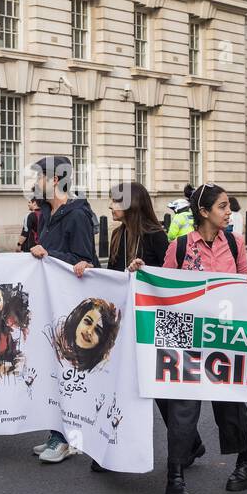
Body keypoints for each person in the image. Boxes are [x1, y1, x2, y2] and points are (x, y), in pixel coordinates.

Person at [157, 183, 247, 494]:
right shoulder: (178, 248)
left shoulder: (235, 244)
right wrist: (140, 274)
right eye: (221, 206)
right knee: (183, 408)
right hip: (188, 339)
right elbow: (162, 289)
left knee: (230, 406)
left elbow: (246, 284)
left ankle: (246, 463)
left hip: (226, 338)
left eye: (227, 206)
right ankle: (174, 476)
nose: (228, 211)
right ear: (203, 212)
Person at [74, 181, 174, 474]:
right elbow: (113, 277)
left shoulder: (156, 236)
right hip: (121, 324)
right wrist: (89, 271)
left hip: (149, 323)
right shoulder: (118, 235)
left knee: (155, 389)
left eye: (114, 202)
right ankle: (112, 448)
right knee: (119, 385)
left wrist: (145, 272)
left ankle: (187, 441)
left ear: (130, 204)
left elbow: (167, 279)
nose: (109, 207)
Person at [27, 156, 99, 464]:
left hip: (69, 305)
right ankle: (57, 433)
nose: (35, 183)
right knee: (51, 372)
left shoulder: (77, 216)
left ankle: (66, 438)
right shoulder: (45, 212)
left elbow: (86, 261)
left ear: (55, 180)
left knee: (65, 372)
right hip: (48, 302)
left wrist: (49, 253)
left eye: (39, 177)